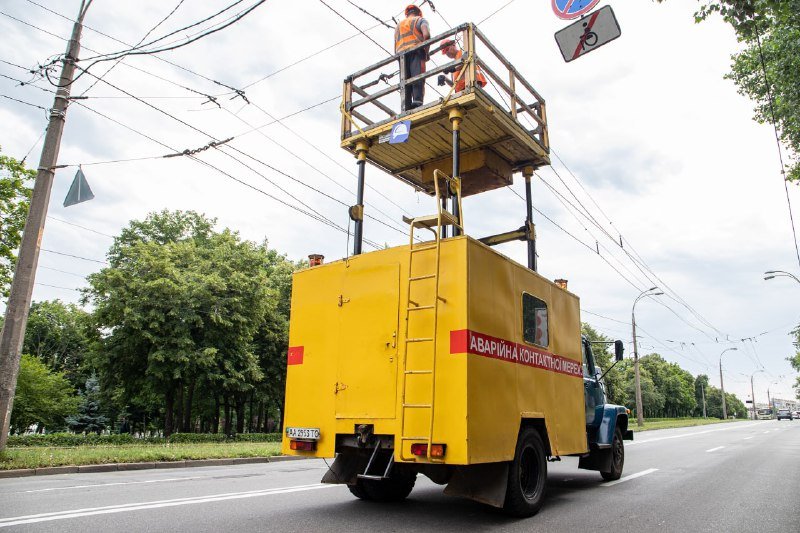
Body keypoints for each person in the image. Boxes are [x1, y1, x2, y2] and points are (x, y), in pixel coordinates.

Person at [395, 4, 430, 110]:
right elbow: (426, 35)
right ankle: (417, 101)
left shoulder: (398, 26)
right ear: (418, 13)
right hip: (416, 51)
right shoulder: (420, 20)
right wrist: (426, 52)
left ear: (407, 14)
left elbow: (395, 45)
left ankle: (406, 106)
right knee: (417, 76)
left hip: (401, 55)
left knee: (404, 82)